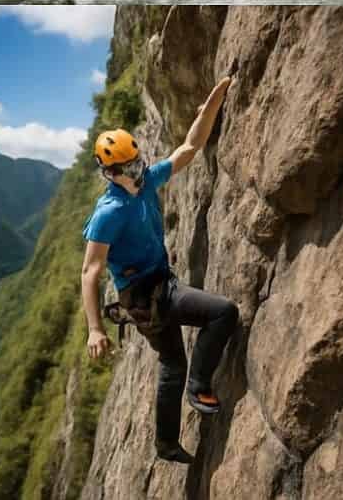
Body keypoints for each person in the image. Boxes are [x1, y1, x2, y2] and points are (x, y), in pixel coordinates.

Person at [80, 76, 238, 465]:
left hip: (155, 289)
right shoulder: (108, 214)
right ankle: (199, 385)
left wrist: (211, 104)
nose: (135, 170)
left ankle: (165, 444)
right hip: (146, 296)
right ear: (109, 173)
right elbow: (90, 271)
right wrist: (95, 328)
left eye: (136, 161)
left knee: (172, 363)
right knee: (223, 313)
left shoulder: (147, 180)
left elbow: (190, 148)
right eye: (126, 167)